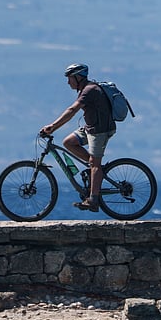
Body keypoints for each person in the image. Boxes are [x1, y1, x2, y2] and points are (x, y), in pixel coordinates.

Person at [40, 63, 116, 212]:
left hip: (100, 131)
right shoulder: (85, 89)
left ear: (78, 77)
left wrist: (52, 127)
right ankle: (94, 169)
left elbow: (72, 110)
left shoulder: (89, 90)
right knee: (69, 142)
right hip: (90, 128)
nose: (68, 82)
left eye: (70, 78)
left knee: (95, 163)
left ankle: (93, 199)